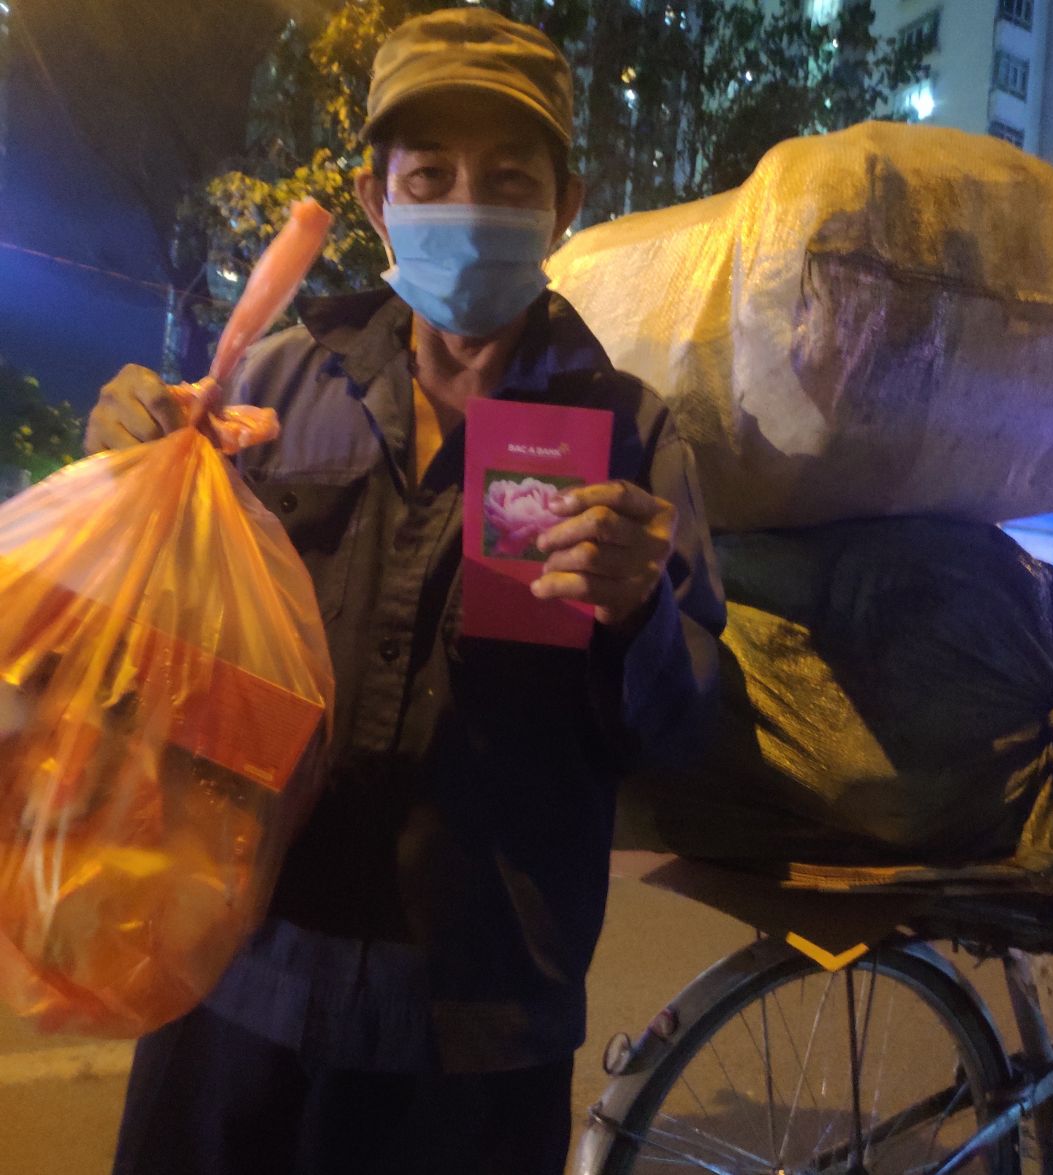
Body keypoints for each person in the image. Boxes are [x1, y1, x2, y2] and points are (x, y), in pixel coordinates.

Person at [88, 8, 725, 1173]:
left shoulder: (629, 434)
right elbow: (155, 649)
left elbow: (685, 732)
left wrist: (639, 615)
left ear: (565, 205)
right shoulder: (273, 388)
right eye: (430, 176)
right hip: (233, 983)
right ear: (377, 201)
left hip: (473, 1040)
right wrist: (131, 488)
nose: (466, 205)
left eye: (510, 178)